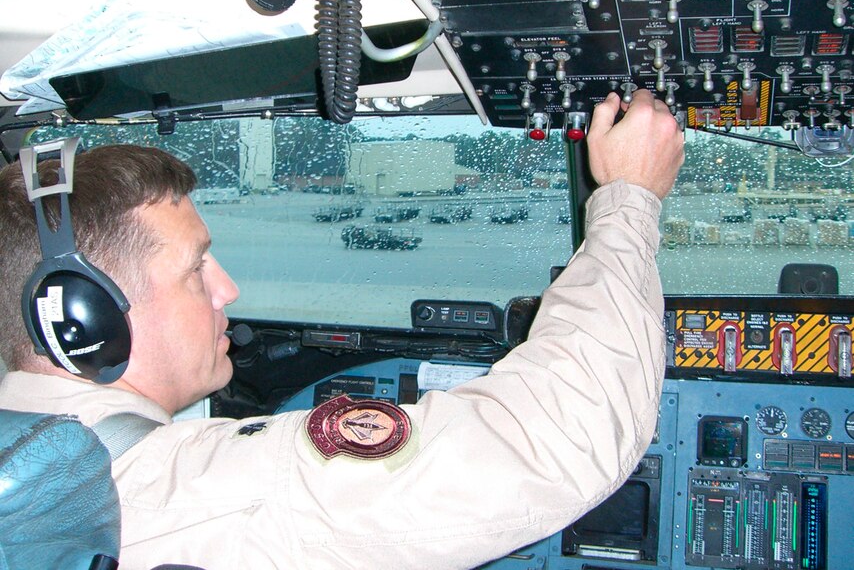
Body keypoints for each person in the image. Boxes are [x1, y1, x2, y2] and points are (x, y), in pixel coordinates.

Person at [0, 88, 683, 569]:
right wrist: (629, 199)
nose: (228, 290)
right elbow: (557, 439)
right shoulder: (198, 490)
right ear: (81, 318)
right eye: (196, 268)